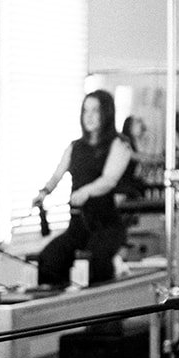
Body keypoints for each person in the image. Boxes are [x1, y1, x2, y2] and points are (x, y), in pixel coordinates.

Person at [34, 90, 132, 288]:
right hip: (78, 228)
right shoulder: (74, 147)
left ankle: (115, 272)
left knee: (95, 264)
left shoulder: (120, 144)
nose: (89, 116)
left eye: (95, 110)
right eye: (85, 110)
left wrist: (86, 191)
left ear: (107, 113)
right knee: (48, 261)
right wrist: (44, 193)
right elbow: (56, 175)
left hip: (106, 227)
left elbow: (109, 180)